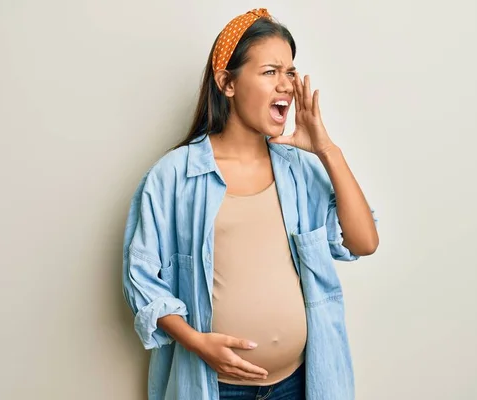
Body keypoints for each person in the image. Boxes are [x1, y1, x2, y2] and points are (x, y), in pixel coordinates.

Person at [122, 8, 379, 400]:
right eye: (270, 72)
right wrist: (195, 341)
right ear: (227, 82)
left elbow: (364, 243)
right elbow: (141, 278)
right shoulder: (174, 176)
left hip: (299, 384)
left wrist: (326, 150)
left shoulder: (299, 171)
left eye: (290, 72)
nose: (287, 85)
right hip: (217, 388)